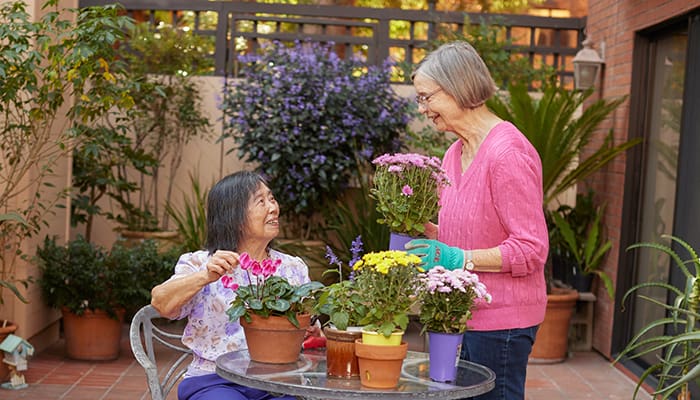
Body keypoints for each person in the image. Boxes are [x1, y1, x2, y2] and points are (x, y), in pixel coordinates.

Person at [405, 41, 549, 400]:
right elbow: (467, 232)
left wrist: (457, 259)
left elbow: (531, 249)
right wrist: (424, 233)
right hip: (464, 315)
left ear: (456, 88)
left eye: (426, 97)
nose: (423, 109)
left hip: (502, 322)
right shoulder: (456, 151)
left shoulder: (508, 154)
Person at [151, 170, 317, 400]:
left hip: (277, 383)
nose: (273, 208)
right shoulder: (199, 263)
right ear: (234, 215)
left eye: (272, 198)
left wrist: (310, 330)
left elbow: (309, 331)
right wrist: (205, 276)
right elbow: (161, 303)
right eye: (261, 201)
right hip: (214, 381)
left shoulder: (292, 268)